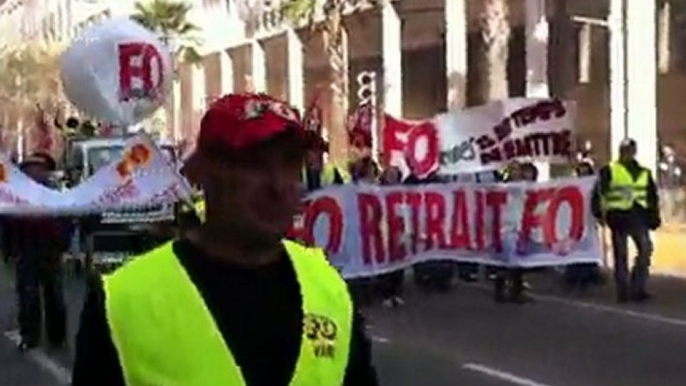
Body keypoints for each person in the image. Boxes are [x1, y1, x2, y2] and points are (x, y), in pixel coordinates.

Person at [72, 93, 378, 386]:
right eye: (255, 164)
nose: (278, 185)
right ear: (203, 172)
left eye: (290, 163)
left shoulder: (329, 287)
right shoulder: (123, 301)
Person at [592, 139, 660, 303]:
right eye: (625, 150)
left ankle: (637, 288)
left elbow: (651, 197)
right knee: (621, 256)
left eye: (630, 150)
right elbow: (598, 193)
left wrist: (654, 216)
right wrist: (598, 213)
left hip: (638, 217)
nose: (627, 153)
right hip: (619, 218)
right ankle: (623, 291)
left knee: (645, 251)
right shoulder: (609, 170)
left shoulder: (644, 172)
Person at [12, 153, 69, 351]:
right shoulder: (52, 182)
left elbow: (6, 217)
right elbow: (66, 212)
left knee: (28, 291)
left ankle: (30, 336)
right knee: (54, 290)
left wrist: (8, 247)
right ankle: (57, 336)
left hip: (25, 244)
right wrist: (64, 241)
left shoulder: (17, 184)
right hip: (51, 244)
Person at [494, 161, 535, 304]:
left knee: (518, 262)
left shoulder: (525, 187)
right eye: (513, 170)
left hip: (519, 228)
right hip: (505, 228)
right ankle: (501, 290)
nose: (516, 173)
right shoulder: (503, 188)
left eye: (518, 170)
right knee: (506, 261)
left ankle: (515, 291)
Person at [377, 166, 405, 307]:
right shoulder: (378, 191)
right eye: (389, 175)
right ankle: (386, 294)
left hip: (399, 230)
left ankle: (396, 292)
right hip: (385, 230)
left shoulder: (402, 192)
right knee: (386, 264)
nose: (392, 177)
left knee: (399, 263)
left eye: (394, 175)